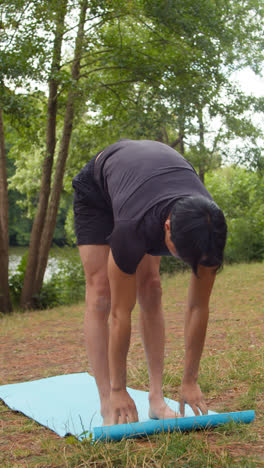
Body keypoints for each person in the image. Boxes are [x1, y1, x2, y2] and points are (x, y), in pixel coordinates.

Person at [72, 139, 227, 426]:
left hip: (144, 187)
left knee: (152, 287)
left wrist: (190, 380)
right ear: (166, 228)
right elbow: (120, 315)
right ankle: (109, 402)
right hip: (98, 190)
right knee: (102, 291)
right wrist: (119, 389)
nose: (185, 261)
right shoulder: (133, 228)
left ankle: (157, 400)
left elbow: (197, 307)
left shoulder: (209, 228)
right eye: (179, 253)